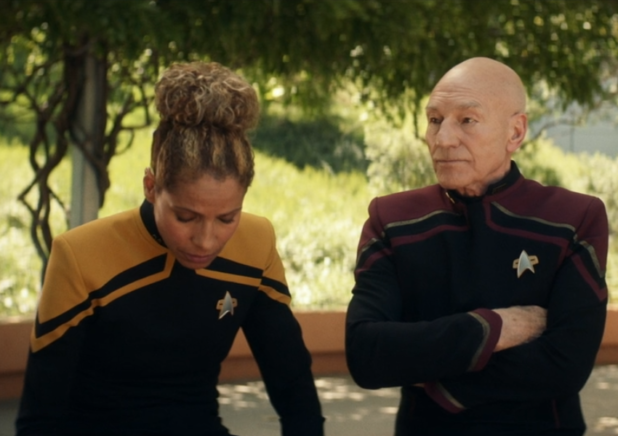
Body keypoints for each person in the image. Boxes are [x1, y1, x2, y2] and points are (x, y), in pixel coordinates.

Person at [16, 62, 324, 436]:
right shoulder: (80, 254)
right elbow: (40, 418)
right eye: (185, 217)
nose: (206, 240)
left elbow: (292, 383)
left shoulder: (257, 241)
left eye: (227, 218)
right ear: (151, 186)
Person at [345, 57, 609, 436]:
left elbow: (567, 365)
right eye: (434, 120)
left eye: (467, 120)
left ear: (515, 133)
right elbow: (365, 353)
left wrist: (433, 375)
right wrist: (496, 327)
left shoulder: (573, 218)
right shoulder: (393, 218)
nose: (443, 139)